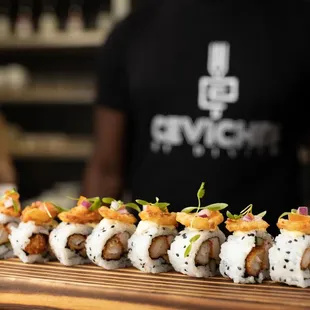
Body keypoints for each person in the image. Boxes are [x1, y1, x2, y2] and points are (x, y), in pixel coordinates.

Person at [83, 0, 310, 233]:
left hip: (271, 254)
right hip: (153, 252)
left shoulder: (299, 24)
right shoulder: (132, 32)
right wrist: (88, 242)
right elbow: (106, 170)